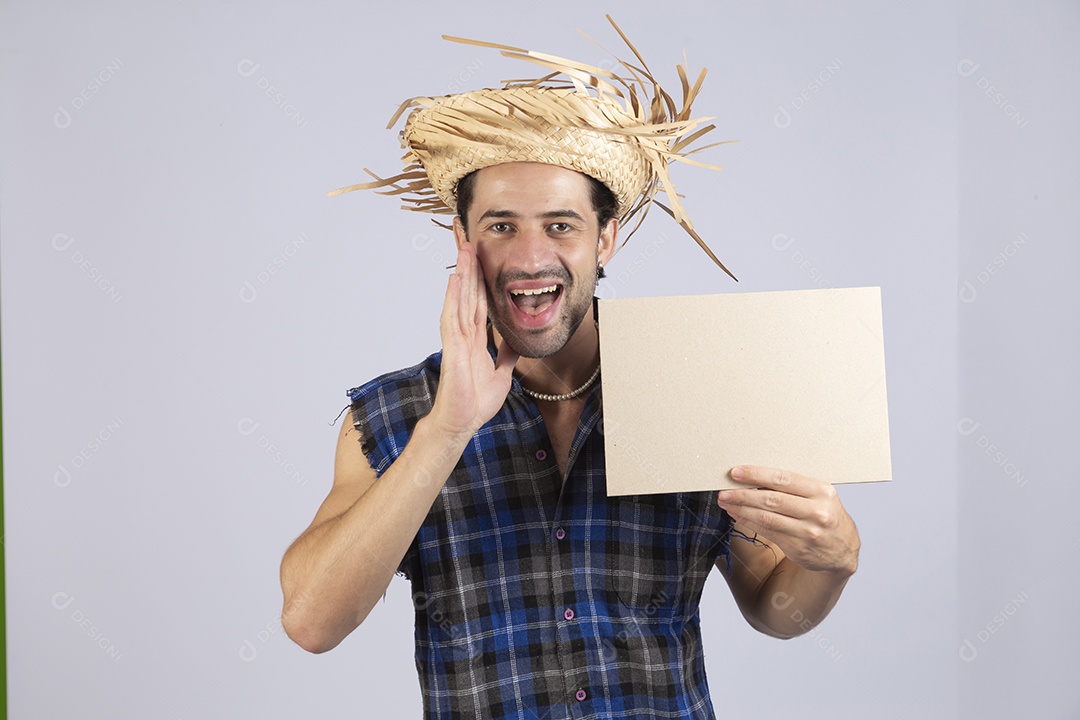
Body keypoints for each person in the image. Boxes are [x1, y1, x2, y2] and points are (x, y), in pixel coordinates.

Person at [279, 18, 860, 719]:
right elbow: (311, 621)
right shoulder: (395, 417)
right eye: (500, 225)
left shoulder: (697, 387)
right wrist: (447, 430)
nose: (529, 258)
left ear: (605, 236)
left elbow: (777, 610)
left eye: (560, 224)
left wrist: (831, 561)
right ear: (462, 235)